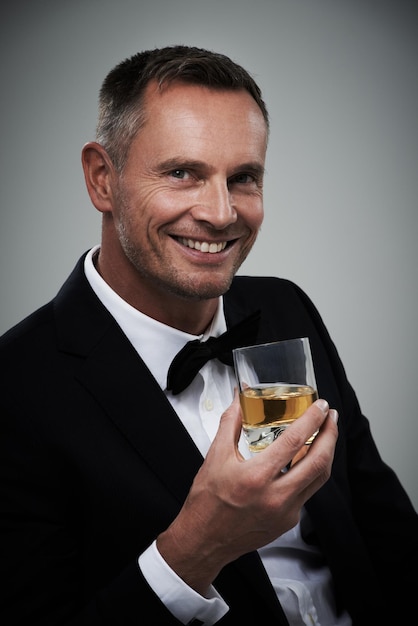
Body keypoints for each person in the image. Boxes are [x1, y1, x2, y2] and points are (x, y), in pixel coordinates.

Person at [0, 45, 417, 626]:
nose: (221, 213)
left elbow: (387, 529)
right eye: (181, 173)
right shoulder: (13, 388)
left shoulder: (286, 305)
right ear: (102, 179)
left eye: (243, 177)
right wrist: (196, 548)